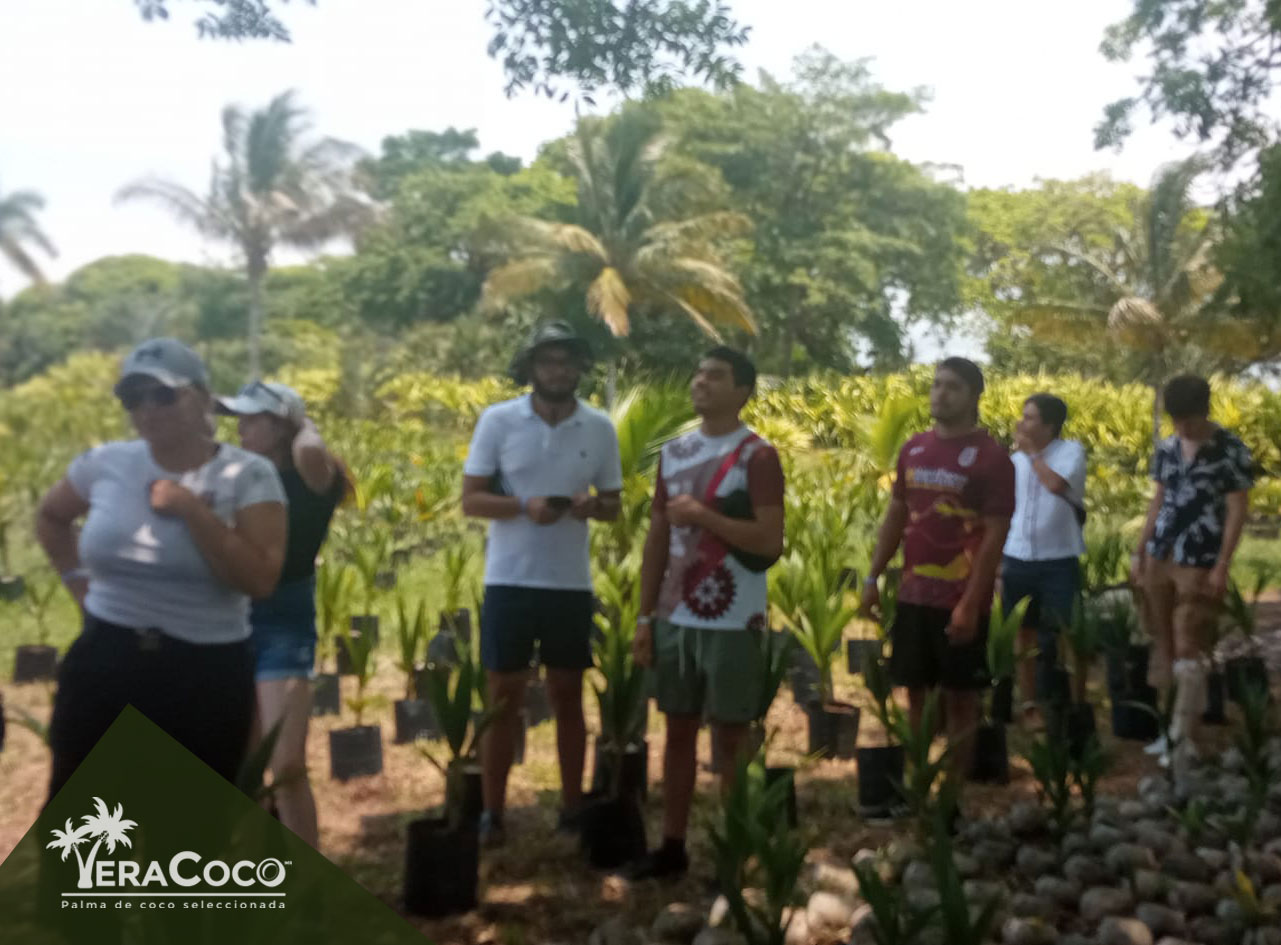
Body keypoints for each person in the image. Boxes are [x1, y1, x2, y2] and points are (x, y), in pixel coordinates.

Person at [35, 338, 287, 802]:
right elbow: (51, 517)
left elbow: (260, 579)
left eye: (163, 394)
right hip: (107, 658)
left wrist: (193, 510)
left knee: (191, 823)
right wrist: (79, 587)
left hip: (203, 670)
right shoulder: (106, 463)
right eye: (133, 397)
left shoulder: (249, 474)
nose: (148, 408)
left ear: (203, 398)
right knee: (87, 821)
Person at [461, 322, 623, 847]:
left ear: (579, 369)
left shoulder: (598, 427)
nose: (559, 370)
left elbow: (614, 505)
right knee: (503, 697)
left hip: (569, 583)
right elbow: (471, 500)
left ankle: (572, 806)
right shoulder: (499, 420)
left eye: (567, 361)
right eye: (549, 361)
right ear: (531, 367)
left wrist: (591, 506)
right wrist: (522, 506)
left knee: (568, 694)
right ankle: (493, 811)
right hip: (509, 579)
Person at [627, 347, 785, 880]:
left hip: (734, 618)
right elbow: (657, 537)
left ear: (742, 391)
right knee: (677, 731)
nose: (701, 382)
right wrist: (645, 617)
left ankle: (734, 854)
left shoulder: (757, 457)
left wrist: (704, 516)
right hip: (675, 616)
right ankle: (671, 846)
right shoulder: (674, 453)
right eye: (698, 373)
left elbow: (769, 540)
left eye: (715, 376)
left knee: (732, 737)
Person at [863, 357, 1014, 784]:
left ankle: (954, 791)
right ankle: (919, 781)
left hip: (960, 598)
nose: (940, 394)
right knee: (915, 693)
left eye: (952, 387)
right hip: (913, 594)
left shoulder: (991, 458)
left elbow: (995, 536)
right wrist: (873, 577)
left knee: (961, 698)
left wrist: (971, 603)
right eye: (936, 385)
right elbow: (896, 515)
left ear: (974, 396)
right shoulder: (914, 449)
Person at [217, 381, 346, 848]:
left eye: (253, 419)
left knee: (287, 764)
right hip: (231, 618)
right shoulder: (237, 478)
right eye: (239, 419)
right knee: (246, 768)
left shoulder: (313, 475)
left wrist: (301, 420)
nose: (241, 428)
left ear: (280, 426)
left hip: (285, 621)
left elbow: (308, 448)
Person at [1132, 375, 1252, 781]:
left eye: (1189, 420)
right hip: (1161, 553)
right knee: (1163, 638)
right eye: (1177, 420)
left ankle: (1186, 734)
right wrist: (1139, 550)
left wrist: (1223, 564)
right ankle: (1169, 729)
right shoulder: (1167, 448)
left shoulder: (1231, 450)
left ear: (1205, 410)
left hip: (1201, 556)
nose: (1183, 427)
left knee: (1190, 639)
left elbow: (1237, 509)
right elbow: (1158, 500)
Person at [1003, 394, 1087, 724]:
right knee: (1023, 633)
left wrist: (1033, 455)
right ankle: (1029, 704)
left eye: (1030, 418)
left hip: (1058, 560)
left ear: (1050, 426)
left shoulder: (1071, 452)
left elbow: (1054, 484)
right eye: (1022, 416)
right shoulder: (1015, 460)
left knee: (1065, 633)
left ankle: (1071, 704)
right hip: (1018, 556)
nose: (1021, 423)